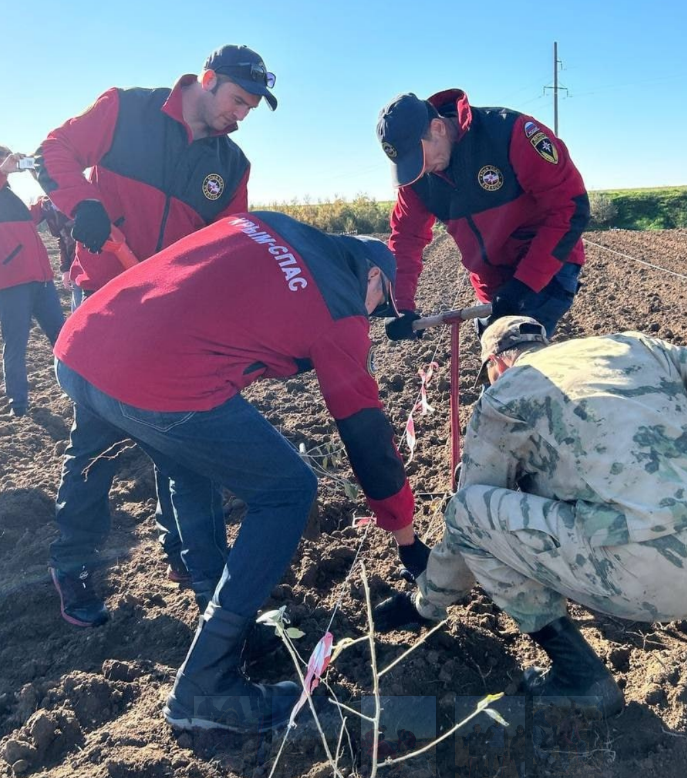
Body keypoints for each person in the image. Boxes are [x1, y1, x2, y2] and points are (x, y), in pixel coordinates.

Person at [49, 210, 431, 732]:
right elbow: (367, 438)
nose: (374, 315)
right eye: (381, 304)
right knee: (288, 489)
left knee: (190, 465)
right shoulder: (339, 307)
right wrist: (406, 539)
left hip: (82, 344)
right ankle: (205, 685)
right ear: (373, 275)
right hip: (148, 375)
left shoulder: (268, 223)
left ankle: (224, 622)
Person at [374, 316, 687, 718]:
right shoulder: (636, 348)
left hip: (643, 575)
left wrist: (427, 601)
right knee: (669, 506)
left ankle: (580, 675)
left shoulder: (506, 394)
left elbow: (470, 522)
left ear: (496, 364)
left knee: (468, 510)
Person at [34, 43, 277, 587]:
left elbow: (227, 249)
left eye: (250, 109)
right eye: (238, 101)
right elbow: (54, 149)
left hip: (168, 317)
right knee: (96, 439)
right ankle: (73, 566)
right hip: (103, 301)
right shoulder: (127, 110)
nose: (241, 116)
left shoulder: (231, 166)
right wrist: (84, 204)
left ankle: (186, 556)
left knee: (180, 442)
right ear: (207, 79)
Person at [375, 90, 589, 342]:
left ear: (438, 128)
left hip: (545, 265)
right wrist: (400, 306)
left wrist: (522, 286)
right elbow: (406, 239)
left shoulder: (509, 132)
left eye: (417, 157)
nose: (417, 170)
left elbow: (570, 207)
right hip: (491, 283)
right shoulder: (417, 176)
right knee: (496, 355)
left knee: (515, 351)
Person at [0, 148, 65, 417]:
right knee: (16, 343)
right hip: (12, 283)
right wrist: (3, 170)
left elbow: (33, 217)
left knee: (62, 336)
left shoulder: (10, 196)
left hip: (42, 281)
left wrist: (39, 177)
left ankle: (75, 385)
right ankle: (18, 403)